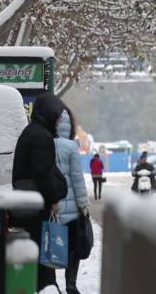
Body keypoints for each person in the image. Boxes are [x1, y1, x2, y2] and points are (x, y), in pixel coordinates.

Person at [12, 93, 68, 292]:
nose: (60, 119)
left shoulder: (32, 132)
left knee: (35, 249)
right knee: (42, 249)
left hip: (27, 203)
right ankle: (46, 286)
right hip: (36, 205)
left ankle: (43, 285)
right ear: (48, 113)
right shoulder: (41, 136)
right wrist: (53, 199)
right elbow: (43, 173)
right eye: (58, 115)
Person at [54, 107, 91, 294]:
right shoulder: (71, 147)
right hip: (71, 210)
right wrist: (83, 204)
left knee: (53, 242)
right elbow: (77, 178)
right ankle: (70, 283)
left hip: (53, 206)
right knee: (74, 248)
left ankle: (51, 283)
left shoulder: (46, 144)